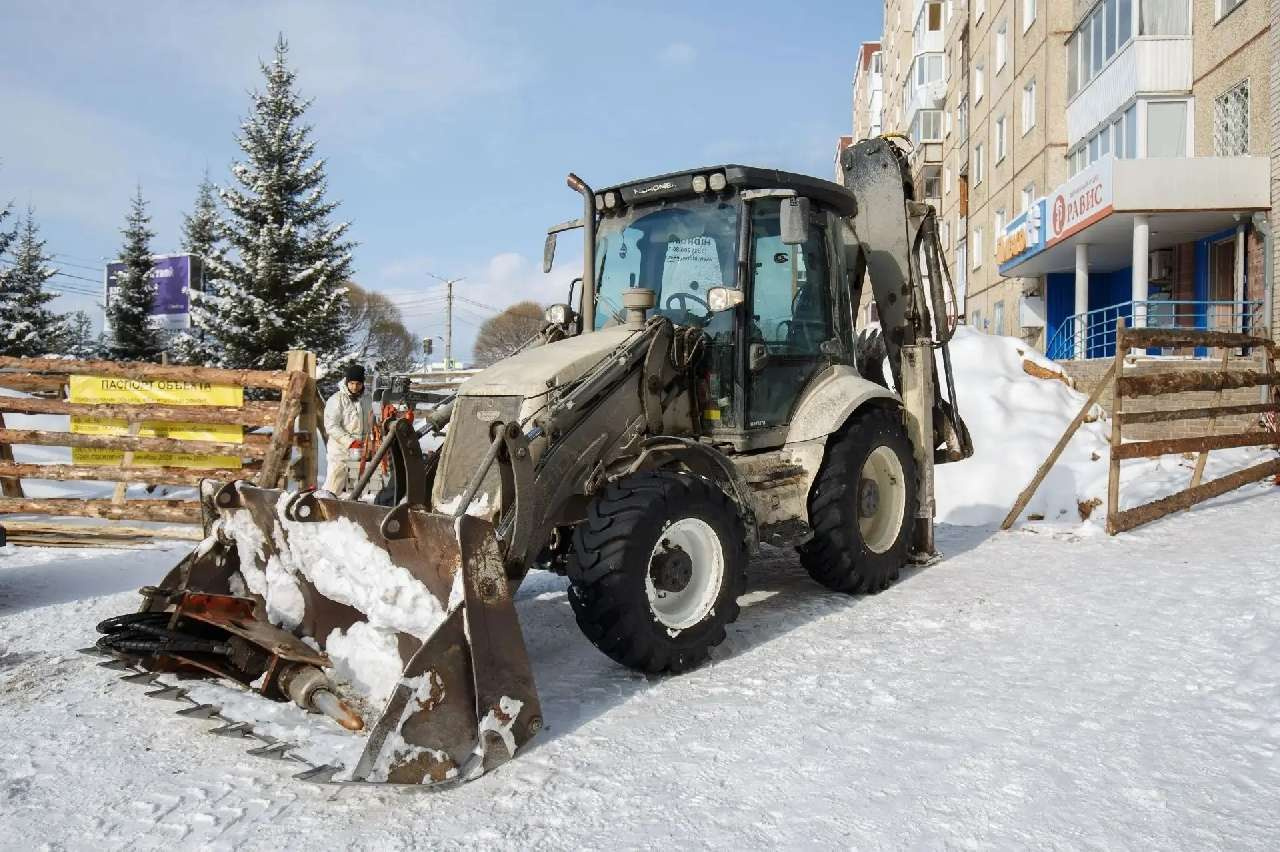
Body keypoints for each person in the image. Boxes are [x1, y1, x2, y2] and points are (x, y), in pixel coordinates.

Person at [323, 364, 369, 494]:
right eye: (352, 383)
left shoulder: (367, 399)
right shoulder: (337, 399)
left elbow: (371, 421)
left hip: (360, 449)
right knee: (334, 483)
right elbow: (331, 426)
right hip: (340, 450)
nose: (354, 387)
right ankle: (324, 505)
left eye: (358, 384)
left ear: (362, 384)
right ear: (347, 382)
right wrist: (349, 442)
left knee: (359, 487)